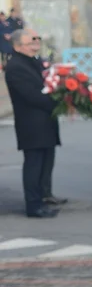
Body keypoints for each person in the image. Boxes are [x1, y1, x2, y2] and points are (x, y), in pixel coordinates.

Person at [5, 29, 63, 218]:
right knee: (34, 164)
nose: (36, 42)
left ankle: (43, 197)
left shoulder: (35, 61)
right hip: (31, 124)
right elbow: (32, 96)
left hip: (45, 121)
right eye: (32, 41)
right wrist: (57, 102)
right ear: (18, 46)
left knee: (45, 162)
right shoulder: (16, 66)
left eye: (37, 39)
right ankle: (33, 205)